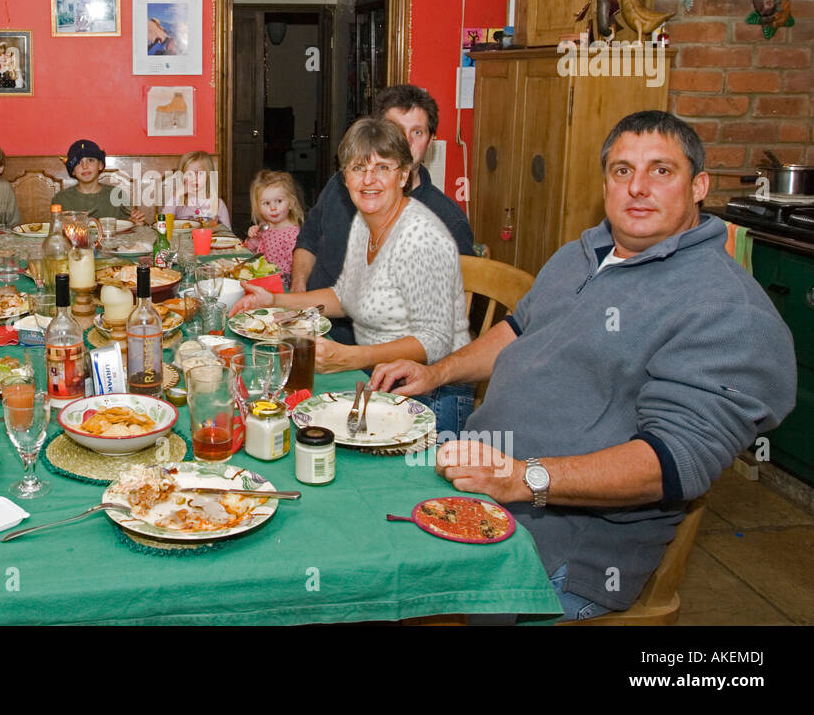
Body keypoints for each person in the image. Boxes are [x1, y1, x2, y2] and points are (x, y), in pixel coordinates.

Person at [371, 111, 797, 620]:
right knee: (345, 522)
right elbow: (518, 331)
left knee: (372, 585)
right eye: (622, 171)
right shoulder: (583, 252)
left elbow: (674, 460)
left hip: (565, 545)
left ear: (699, 185)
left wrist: (523, 478)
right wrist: (436, 373)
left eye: (661, 171)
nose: (637, 188)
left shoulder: (726, 309)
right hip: (479, 480)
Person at [232, 117, 473, 434]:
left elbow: (434, 339)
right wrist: (276, 300)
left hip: (433, 391)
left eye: (383, 168)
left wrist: (351, 358)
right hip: (381, 374)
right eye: (358, 168)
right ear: (344, 178)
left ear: (403, 175)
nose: (368, 179)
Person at [292, 83, 474, 345]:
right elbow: (308, 238)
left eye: (417, 132)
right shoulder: (342, 185)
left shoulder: (447, 221)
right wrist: (298, 294)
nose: (406, 142)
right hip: (311, 326)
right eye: (395, 131)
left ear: (430, 141)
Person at [54, 139, 145, 223]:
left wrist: (136, 222)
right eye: (78, 162)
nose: (85, 166)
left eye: (90, 160)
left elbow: (129, 226)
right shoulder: (61, 199)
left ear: (100, 165)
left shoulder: (117, 194)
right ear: (73, 171)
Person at [244, 170, 304, 289]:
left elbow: (298, 269)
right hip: (263, 280)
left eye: (279, 201)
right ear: (258, 207)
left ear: (291, 203)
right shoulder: (265, 227)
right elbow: (248, 250)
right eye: (266, 203)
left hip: (282, 286)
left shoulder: (293, 234)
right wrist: (254, 238)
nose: (273, 208)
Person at [158, 151, 232, 229]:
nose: (194, 178)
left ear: (208, 175)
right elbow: (163, 224)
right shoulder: (179, 202)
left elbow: (228, 233)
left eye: (199, 173)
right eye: (189, 174)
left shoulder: (218, 204)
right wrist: (177, 195)